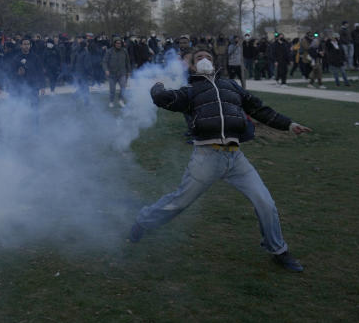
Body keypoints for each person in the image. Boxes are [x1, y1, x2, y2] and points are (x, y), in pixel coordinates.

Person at [130, 47, 313, 272]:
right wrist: (157, 84)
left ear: (214, 63)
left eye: (208, 57)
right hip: (206, 157)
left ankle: (278, 250)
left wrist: (289, 125)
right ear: (193, 66)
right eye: (199, 58)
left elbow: (260, 110)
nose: (204, 60)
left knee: (265, 202)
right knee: (179, 201)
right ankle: (143, 221)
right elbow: (162, 99)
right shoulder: (190, 91)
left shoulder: (232, 86)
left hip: (235, 159)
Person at [103, 37, 131, 108]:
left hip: (122, 73)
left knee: (123, 87)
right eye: (117, 43)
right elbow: (104, 62)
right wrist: (106, 70)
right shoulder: (109, 51)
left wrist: (128, 71)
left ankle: (121, 100)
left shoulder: (124, 51)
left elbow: (127, 62)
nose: (119, 44)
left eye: (120, 43)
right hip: (112, 74)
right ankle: (111, 101)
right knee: (112, 89)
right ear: (114, 43)